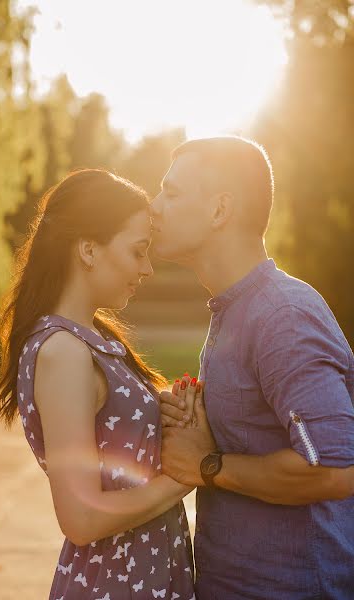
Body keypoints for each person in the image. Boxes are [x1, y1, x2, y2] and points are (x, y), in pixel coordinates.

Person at [151, 137, 354, 599]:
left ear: (220, 211)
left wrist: (207, 465)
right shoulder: (233, 310)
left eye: (172, 193)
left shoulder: (283, 314)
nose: (154, 207)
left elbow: (332, 470)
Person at [0, 169, 196, 600]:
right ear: (88, 249)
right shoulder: (63, 351)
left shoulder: (94, 340)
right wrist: (184, 478)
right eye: (138, 251)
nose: (147, 268)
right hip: (116, 584)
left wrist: (171, 413)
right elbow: (81, 517)